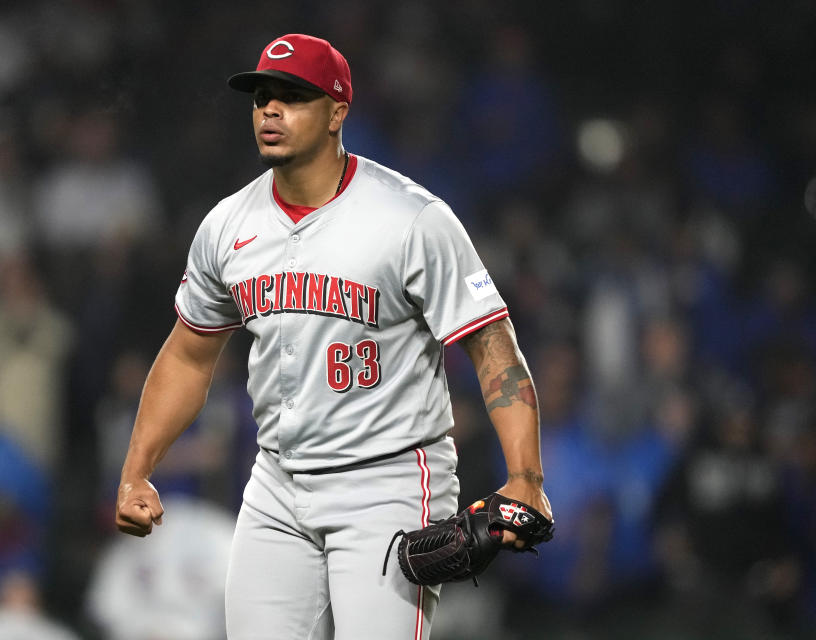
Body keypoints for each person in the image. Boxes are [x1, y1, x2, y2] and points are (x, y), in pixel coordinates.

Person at [115, 33, 553, 639]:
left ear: (337, 112)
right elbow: (189, 355)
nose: (270, 110)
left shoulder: (411, 219)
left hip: (388, 479)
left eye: (292, 96)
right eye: (261, 96)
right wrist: (137, 469)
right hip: (277, 482)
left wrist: (525, 477)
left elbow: (491, 346)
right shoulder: (227, 226)